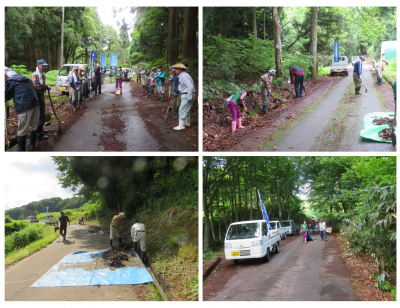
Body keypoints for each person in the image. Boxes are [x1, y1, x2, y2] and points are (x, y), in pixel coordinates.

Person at [5, 68, 40, 151]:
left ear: (5, 75)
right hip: (35, 104)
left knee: (22, 129)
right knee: (33, 126)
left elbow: (6, 96)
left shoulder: (11, 81)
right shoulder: (25, 78)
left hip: (25, 107)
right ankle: (32, 144)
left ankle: (21, 149)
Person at [171, 63, 195, 130]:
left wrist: (190, 96)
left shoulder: (184, 76)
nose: (174, 70)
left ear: (180, 69)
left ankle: (181, 126)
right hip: (186, 94)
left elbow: (190, 86)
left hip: (187, 94)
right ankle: (187, 123)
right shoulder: (183, 75)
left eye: (176, 69)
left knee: (182, 109)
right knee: (186, 110)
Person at [31, 59, 50, 141]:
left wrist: (45, 87)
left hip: (41, 95)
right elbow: (36, 87)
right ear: (38, 66)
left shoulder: (42, 74)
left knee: (42, 112)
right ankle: (39, 133)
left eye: (45, 66)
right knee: (39, 114)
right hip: (37, 96)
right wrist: (45, 87)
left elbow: (42, 85)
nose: (44, 67)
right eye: (43, 66)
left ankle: (41, 129)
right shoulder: (35, 75)